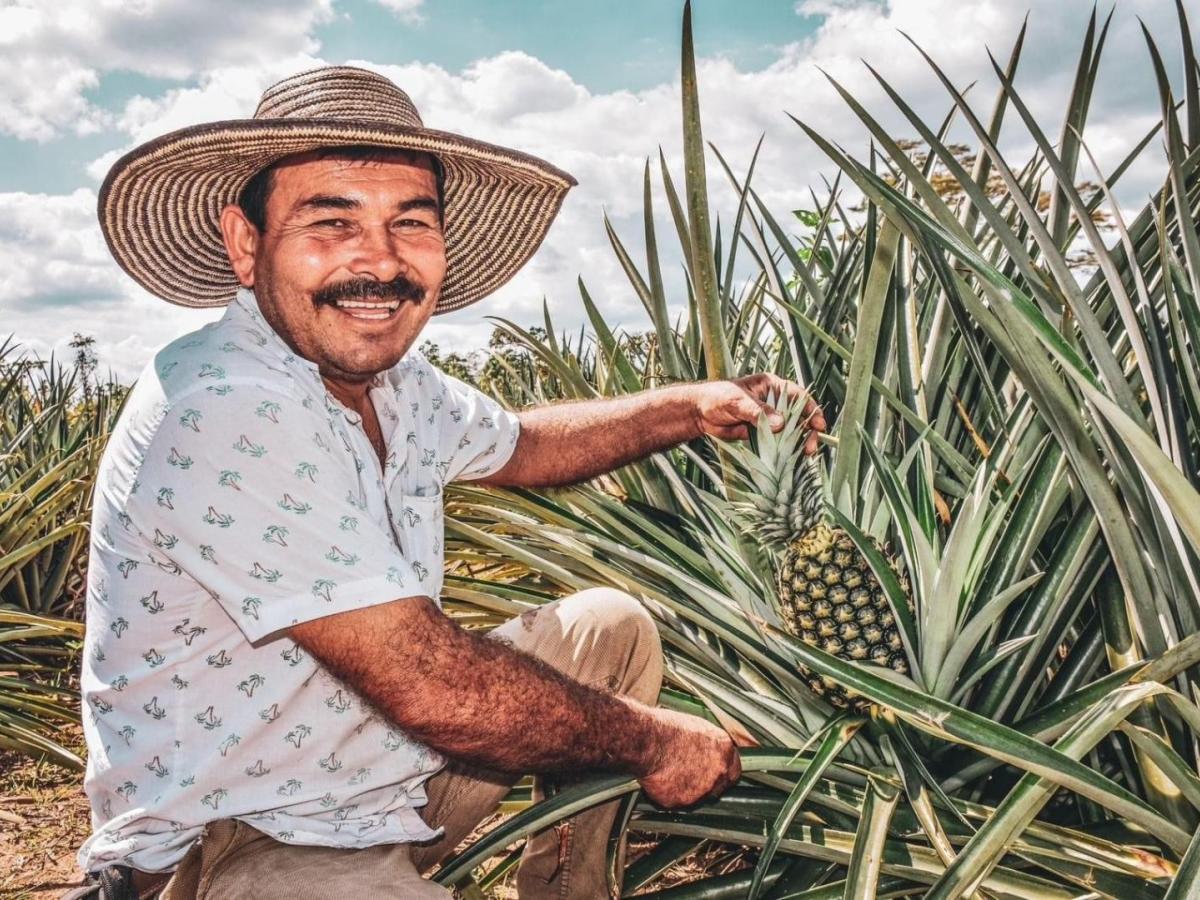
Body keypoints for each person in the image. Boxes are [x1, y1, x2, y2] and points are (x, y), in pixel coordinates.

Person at [73, 66, 825, 899]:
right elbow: (430, 685)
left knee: (612, 626)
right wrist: (654, 742)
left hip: (383, 777)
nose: (381, 261)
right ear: (247, 244)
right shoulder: (226, 406)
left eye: (411, 223)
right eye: (332, 221)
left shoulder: (391, 381)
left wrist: (687, 407)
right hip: (244, 829)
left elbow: (523, 446)